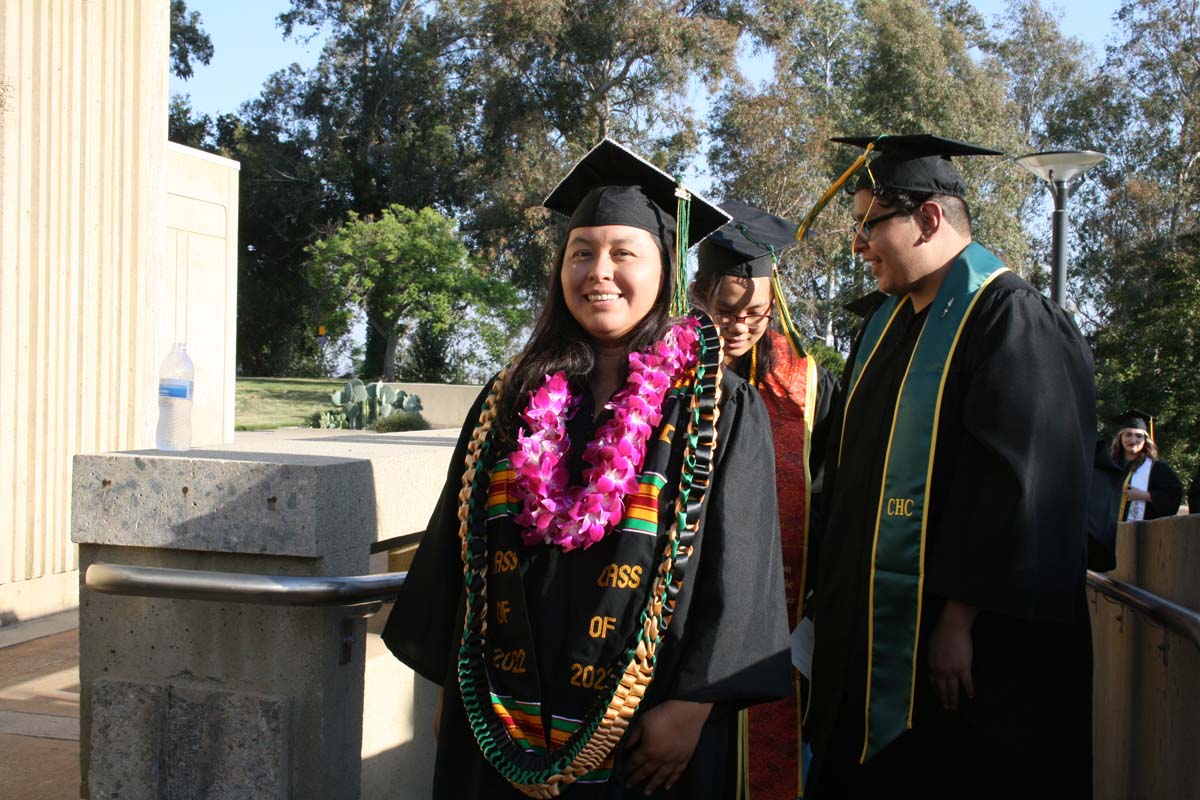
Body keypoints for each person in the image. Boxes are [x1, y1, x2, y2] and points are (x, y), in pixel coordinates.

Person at [382, 138, 793, 799]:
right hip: (500, 716)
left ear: (666, 271)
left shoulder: (717, 406)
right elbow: (461, 554)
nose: (599, 271)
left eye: (623, 253)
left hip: (648, 724)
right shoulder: (509, 398)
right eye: (581, 253)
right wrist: (456, 693)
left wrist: (693, 707)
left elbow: (741, 569)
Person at [805, 134, 1097, 799]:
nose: (857, 245)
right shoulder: (883, 329)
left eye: (869, 224)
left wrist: (960, 620)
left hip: (965, 660)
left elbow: (1023, 489)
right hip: (872, 649)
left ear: (930, 218)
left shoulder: (1011, 320)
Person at [691, 200, 838, 799]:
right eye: (726, 311)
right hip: (684, 624)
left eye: (756, 313)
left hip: (779, 621)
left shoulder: (808, 386)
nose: (741, 326)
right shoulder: (663, 374)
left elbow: (830, 497)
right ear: (698, 294)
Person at [1110, 409, 1183, 521]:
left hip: (1141, 529)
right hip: (1108, 527)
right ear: (1120, 438)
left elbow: (1173, 495)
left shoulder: (1157, 467)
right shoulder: (1109, 464)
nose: (1133, 440)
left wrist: (1145, 495)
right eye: (1128, 435)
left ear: (1145, 440)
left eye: (1139, 436)